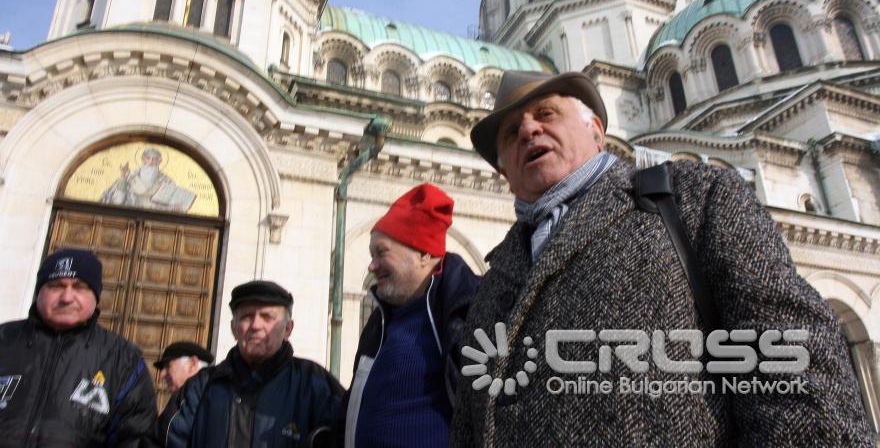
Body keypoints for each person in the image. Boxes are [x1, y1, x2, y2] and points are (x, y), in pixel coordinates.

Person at [448, 71, 873, 446]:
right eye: (510, 133)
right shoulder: (497, 276)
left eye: (546, 114)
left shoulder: (691, 198)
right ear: (504, 172)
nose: (527, 131)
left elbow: (793, 362)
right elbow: (470, 422)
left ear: (596, 130)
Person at [341, 183, 480, 448]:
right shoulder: (379, 321)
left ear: (424, 254)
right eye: (372, 255)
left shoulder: (468, 310)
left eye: (381, 252)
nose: (372, 265)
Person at [0, 249, 156, 447]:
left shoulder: (123, 360)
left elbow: (135, 438)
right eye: (56, 286)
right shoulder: (4, 340)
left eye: (79, 287)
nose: (66, 297)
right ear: (38, 292)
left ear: (96, 296)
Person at [160, 280, 343, 448]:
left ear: (287, 328)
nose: (255, 325)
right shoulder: (201, 387)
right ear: (233, 328)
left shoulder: (314, 383)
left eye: (267, 317)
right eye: (247, 316)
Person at [100, 146, 195, 212]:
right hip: (131, 214)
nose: (151, 162)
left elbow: (170, 204)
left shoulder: (167, 181)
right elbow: (117, 202)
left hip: (156, 219)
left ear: (159, 161)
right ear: (142, 159)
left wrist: (176, 207)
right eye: (148, 158)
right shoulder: (129, 177)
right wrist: (124, 179)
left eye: (155, 159)